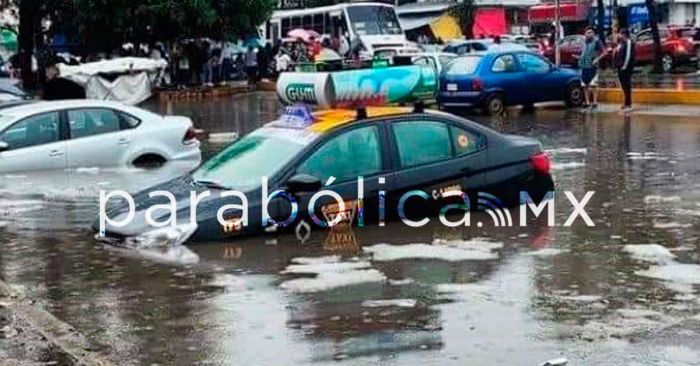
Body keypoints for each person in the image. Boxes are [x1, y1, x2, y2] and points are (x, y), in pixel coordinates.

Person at [575, 26, 608, 109]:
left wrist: (597, 59)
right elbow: (583, 54)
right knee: (585, 85)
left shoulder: (597, 42)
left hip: (593, 65)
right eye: (588, 32)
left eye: (591, 32)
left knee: (593, 84)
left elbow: (605, 52)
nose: (590, 34)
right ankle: (587, 102)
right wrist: (578, 57)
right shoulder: (583, 43)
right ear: (585, 34)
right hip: (584, 65)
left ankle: (595, 102)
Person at [614, 29, 635, 113]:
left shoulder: (629, 43)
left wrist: (625, 66)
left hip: (626, 67)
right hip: (620, 66)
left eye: (620, 34)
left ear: (624, 34)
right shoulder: (621, 43)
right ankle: (625, 102)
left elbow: (628, 55)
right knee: (623, 85)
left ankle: (628, 103)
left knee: (627, 84)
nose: (619, 35)